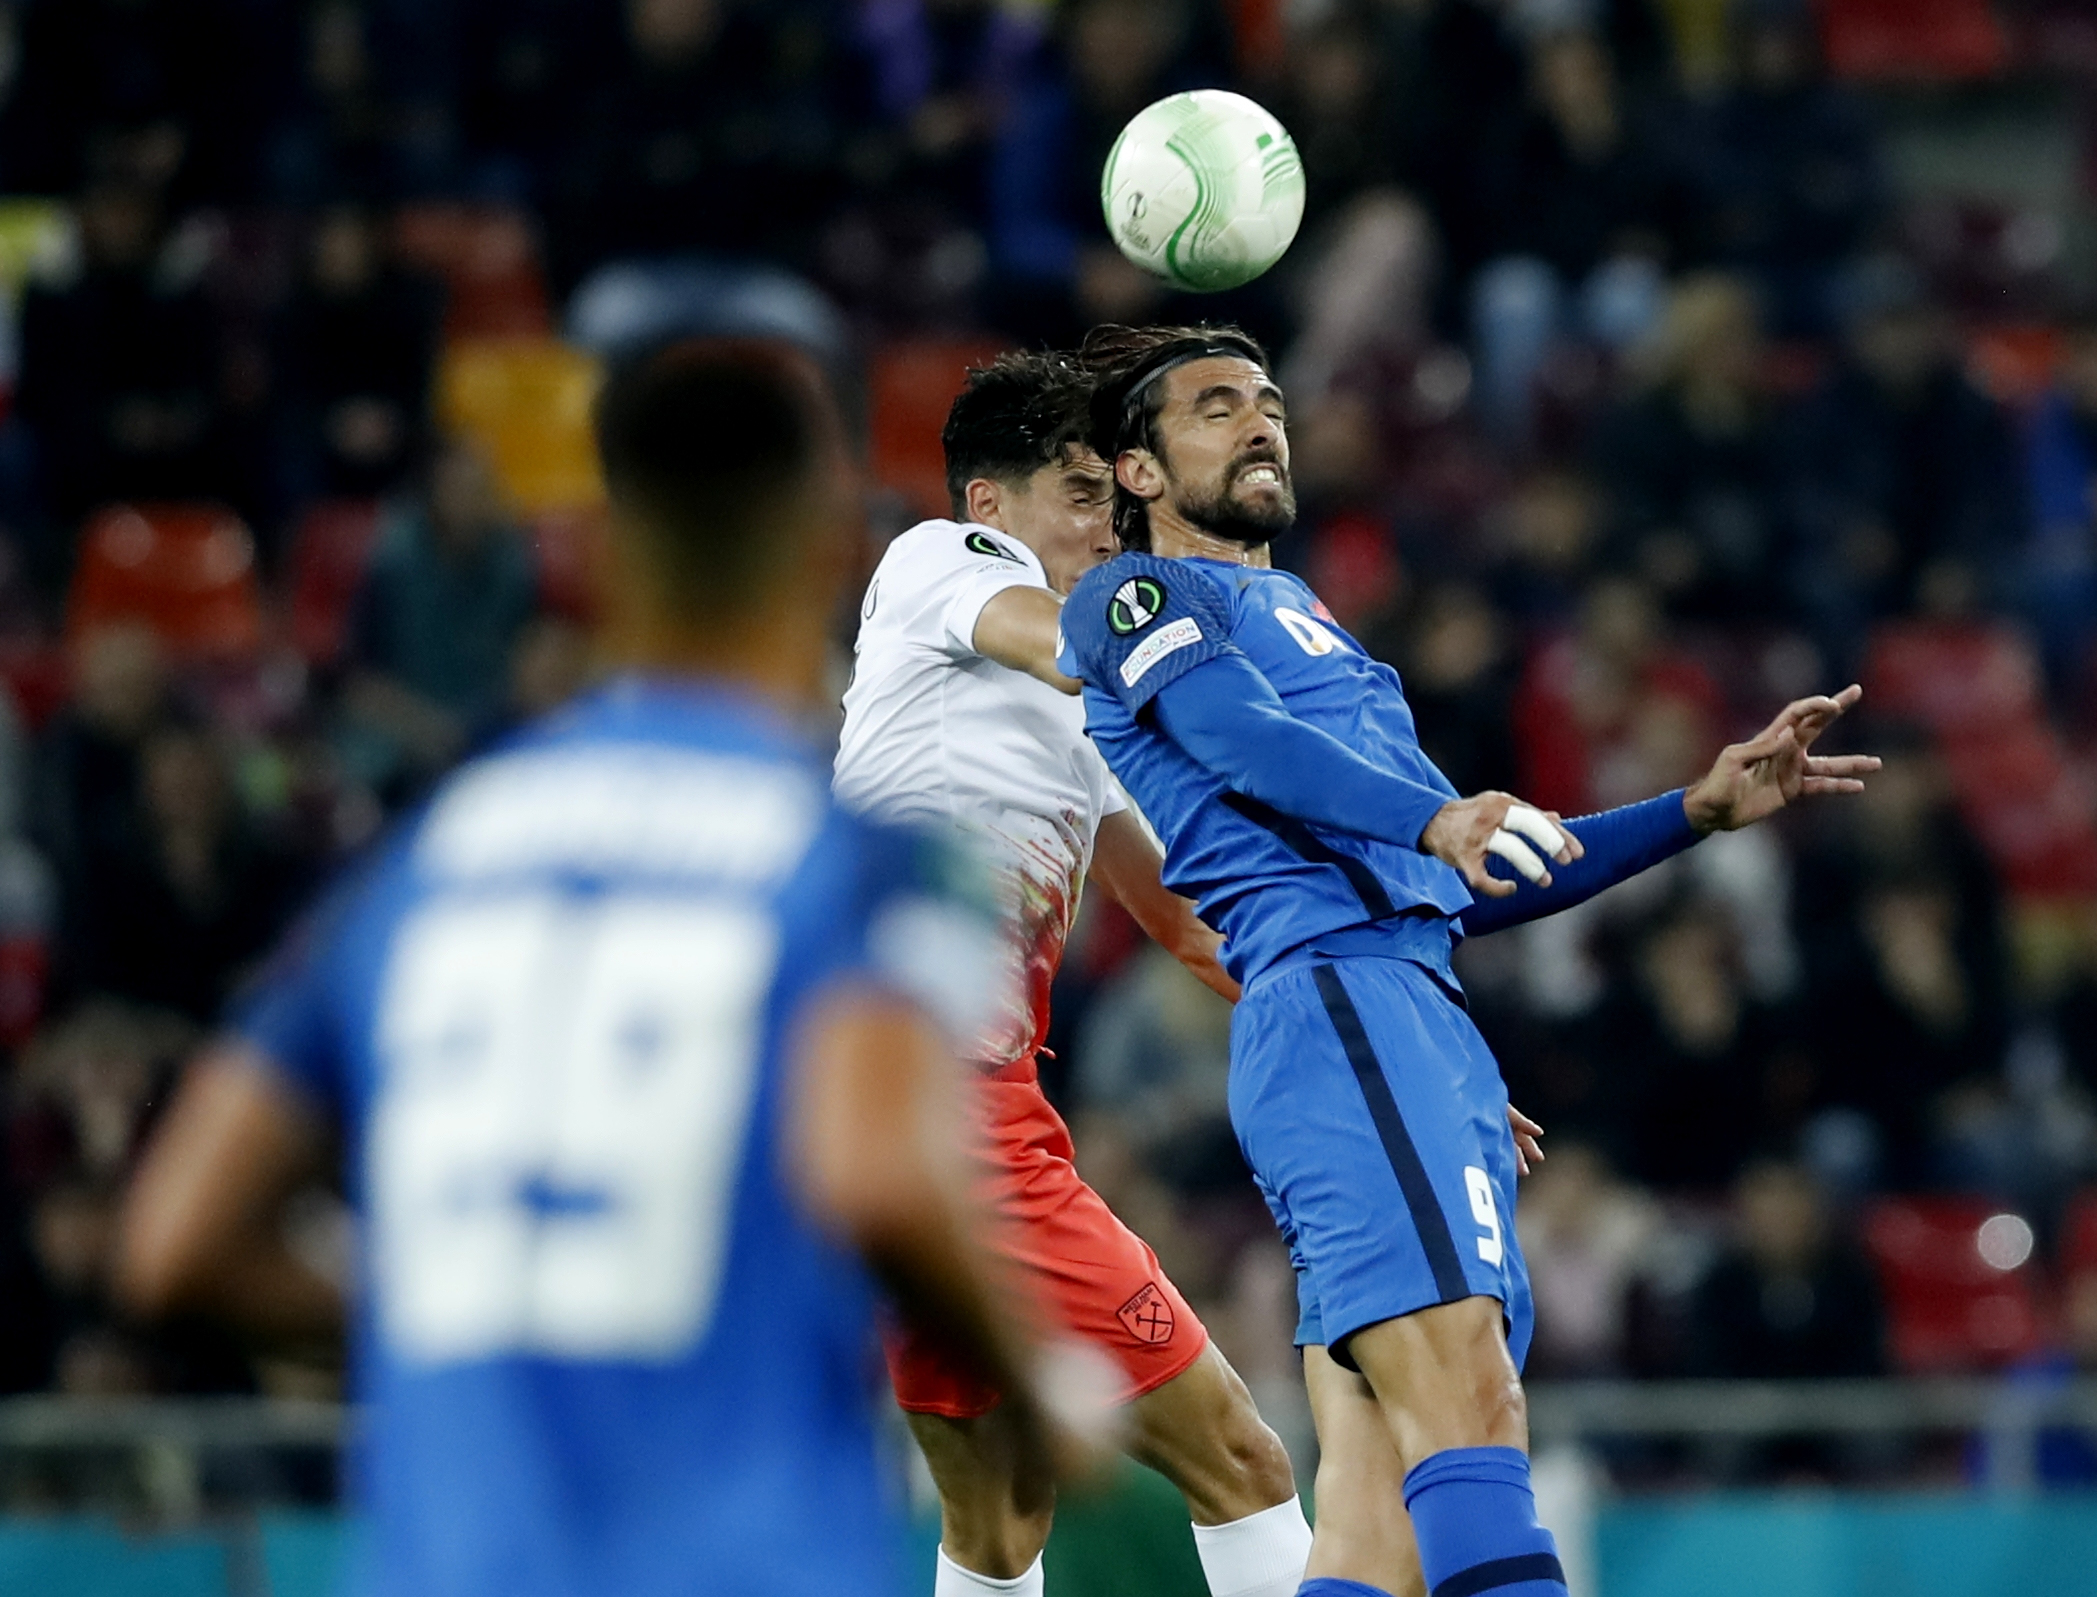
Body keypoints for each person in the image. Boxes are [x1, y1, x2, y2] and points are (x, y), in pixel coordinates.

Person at [113, 341, 1093, 1597]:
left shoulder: (425, 858)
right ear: (822, 550)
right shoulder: (861, 865)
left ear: (599, 559)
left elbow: (171, 1240)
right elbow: (879, 1176)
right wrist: (1041, 1377)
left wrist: (467, 1306)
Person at [1056, 323, 1877, 1597]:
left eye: (1270, 400)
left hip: (1405, 1015)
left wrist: (1692, 813)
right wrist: (1433, 819)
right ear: (1142, 472)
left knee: (1377, 1521)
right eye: (1216, 407)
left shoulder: (1310, 622)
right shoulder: (1135, 597)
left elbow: (1464, 871)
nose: (1260, 420)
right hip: (1341, 1002)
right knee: (1474, 1405)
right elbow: (1235, 735)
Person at [834, 351, 1309, 1597]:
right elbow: (1056, 641)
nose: (1114, 523)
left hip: (905, 1106)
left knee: (999, 1520)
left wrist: (1374, 1037)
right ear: (992, 502)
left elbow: (1188, 923)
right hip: (942, 1099)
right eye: (1087, 493)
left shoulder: (1083, 710)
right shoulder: (945, 562)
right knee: (1241, 1457)